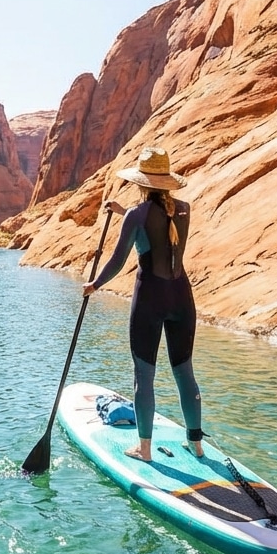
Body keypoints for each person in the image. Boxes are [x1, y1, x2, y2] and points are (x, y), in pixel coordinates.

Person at [82, 146, 204, 463]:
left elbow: (118, 260)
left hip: (150, 297)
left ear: (141, 182)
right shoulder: (184, 210)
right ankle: (197, 444)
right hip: (181, 298)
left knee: (144, 375)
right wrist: (124, 212)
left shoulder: (137, 216)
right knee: (185, 373)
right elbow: (161, 225)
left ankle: (144, 450)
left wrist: (95, 285)